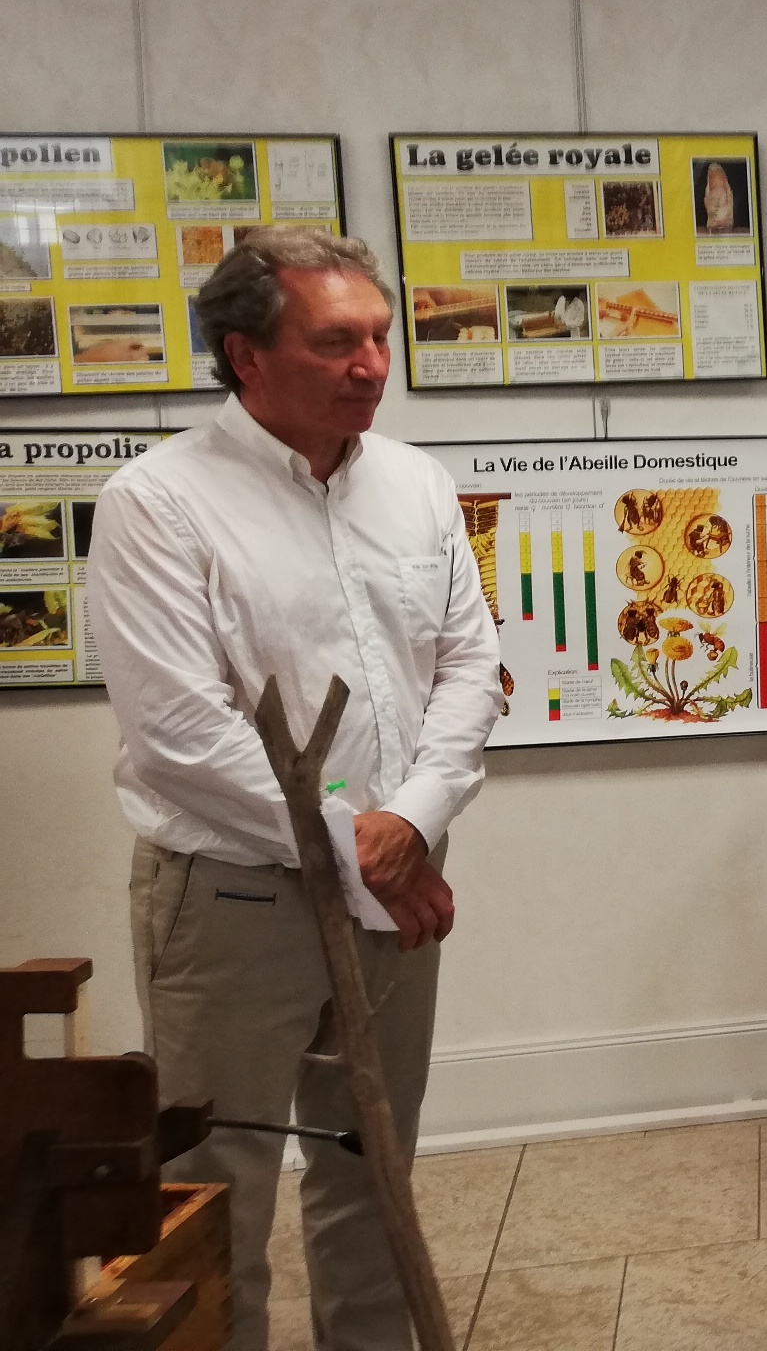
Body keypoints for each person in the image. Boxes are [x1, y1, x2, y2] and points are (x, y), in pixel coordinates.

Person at [88, 228, 502, 1351]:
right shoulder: (159, 502)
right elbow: (179, 732)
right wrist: (357, 843)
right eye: (336, 342)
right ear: (247, 356)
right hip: (236, 895)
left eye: (380, 337)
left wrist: (411, 821)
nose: (372, 366)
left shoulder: (415, 484)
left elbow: (469, 667)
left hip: (401, 871)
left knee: (373, 1166)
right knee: (215, 1183)